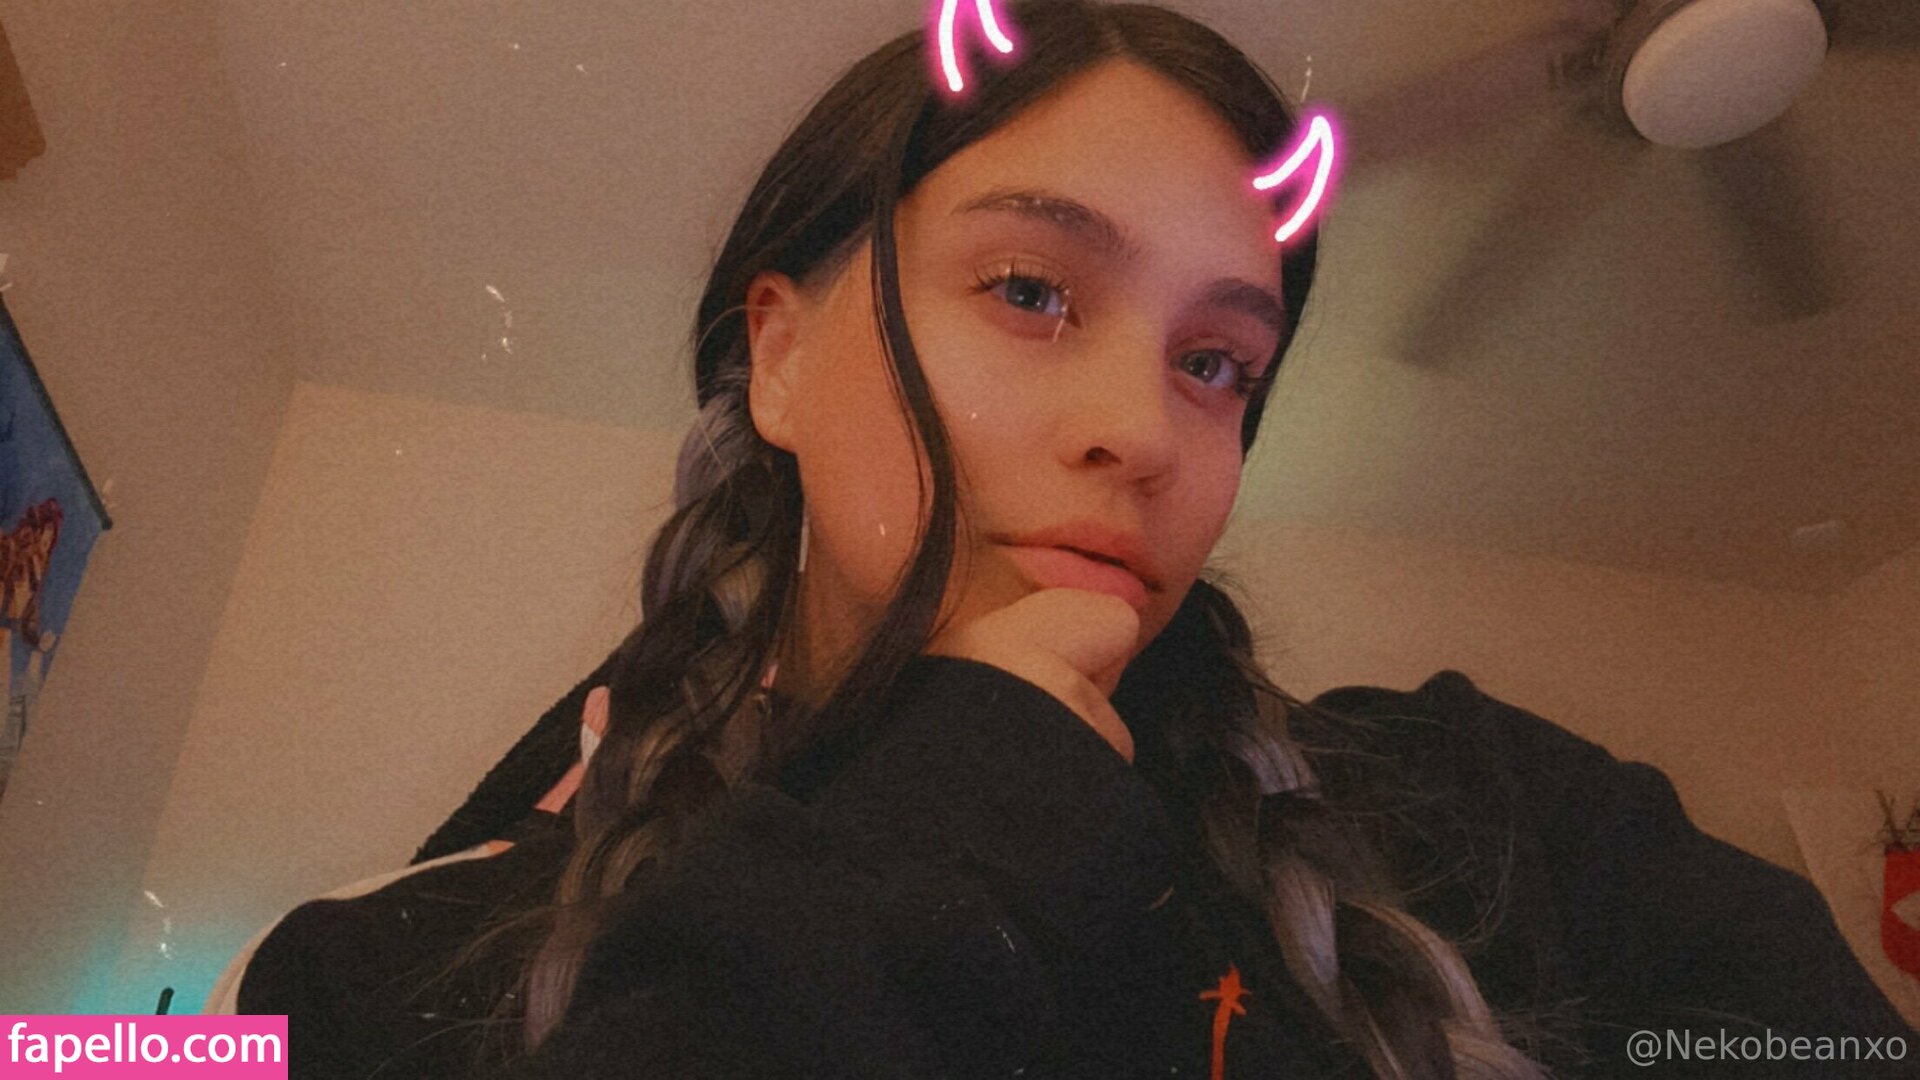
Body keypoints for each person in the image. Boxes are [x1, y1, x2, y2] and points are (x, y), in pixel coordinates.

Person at [233, 2, 1913, 1076]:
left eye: (1218, 365)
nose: (1148, 433)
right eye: (1032, 290)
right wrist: (950, 818)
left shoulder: (1483, 813)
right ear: (780, 351)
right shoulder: (384, 964)